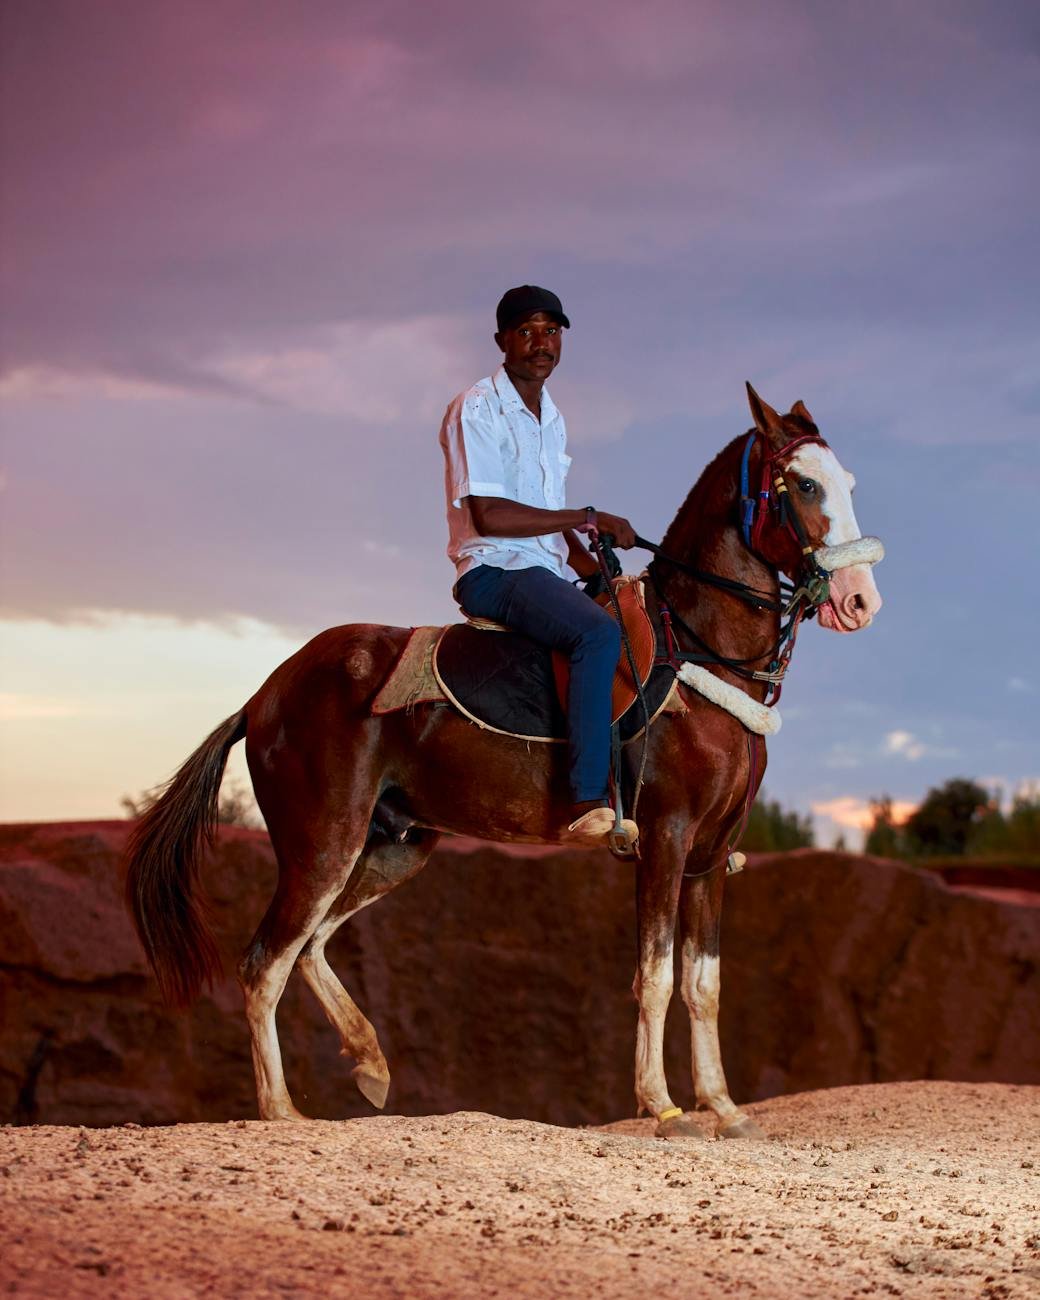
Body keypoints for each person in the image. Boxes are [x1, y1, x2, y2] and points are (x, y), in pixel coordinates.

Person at [439, 285, 639, 847]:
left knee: (633, 617)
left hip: (540, 570)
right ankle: (586, 801)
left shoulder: (552, 417)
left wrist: (594, 565)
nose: (540, 344)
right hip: (494, 569)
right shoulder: (476, 406)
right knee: (597, 635)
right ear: (501, 340)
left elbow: (548, 528)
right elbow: (492, 515)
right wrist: (587, 515)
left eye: (551, 331)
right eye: (526, 331)